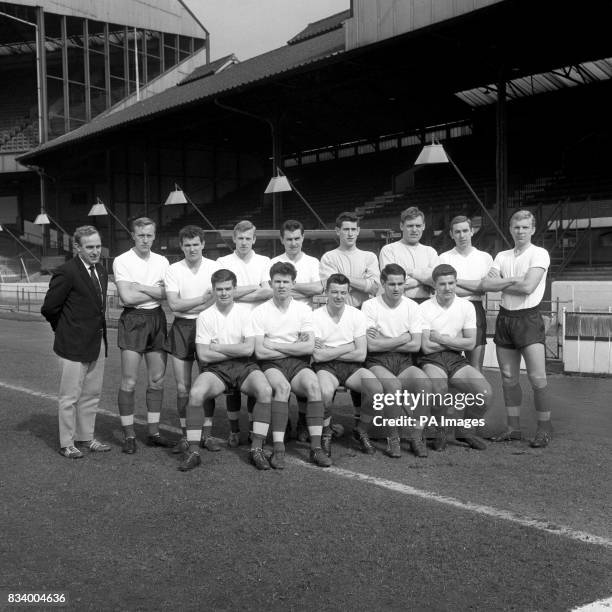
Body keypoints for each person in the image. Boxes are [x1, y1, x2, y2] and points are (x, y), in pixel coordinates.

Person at [179, 269, 274, 471]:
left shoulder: (246, 313)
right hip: (216, 369)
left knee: (265, 390)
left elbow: (249, 348)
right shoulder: (204, 316)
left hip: (244, 365)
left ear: (235, 289)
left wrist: (219, 347)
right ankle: (194, 451)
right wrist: (235, 350)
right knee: (196, 393)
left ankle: (256, 449)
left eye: (228, 289)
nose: (223, 293)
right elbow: (204, 355)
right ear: (213, 290)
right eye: (219, 289)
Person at [482, 210, 553, 448]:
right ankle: (513, 429)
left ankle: (544, 428)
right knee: (509, 377)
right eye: (516, 227)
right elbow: (487, 284)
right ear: (510, 229)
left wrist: (504, 283)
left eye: (525, 227)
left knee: (537, 377)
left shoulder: (539, 253)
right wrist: (514, 280)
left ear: (533, 229)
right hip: (505, 318)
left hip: (528, 319)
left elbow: (528, 287)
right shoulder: (502, 255)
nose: (520, 231)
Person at [252, 261, 330, 468]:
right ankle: (279, 450)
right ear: (270, 283)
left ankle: (316, 448)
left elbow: (308, 347)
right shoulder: (260, 311)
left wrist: (275, 344)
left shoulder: (303, 310)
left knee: (314, 386)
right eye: (277, 281)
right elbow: (260, 351)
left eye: (286, 282)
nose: (281, 286)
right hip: (271, 364)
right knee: (282, 387)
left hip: (297, 363)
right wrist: (292, 345)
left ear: (293, 283)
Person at [42, 225, 111, 458]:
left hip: (97, 342)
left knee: (91, 395)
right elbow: (50, 308)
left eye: (98, 246)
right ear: (77, 247)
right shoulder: (66, 272)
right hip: (72, 344)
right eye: (89, 247)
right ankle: (66, 443)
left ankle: (86, 437)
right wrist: (64, 331)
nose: (95, 251)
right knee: (69, 397)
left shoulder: (101, 270)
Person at [419, 264, 492, 451]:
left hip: (455, 358)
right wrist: (456, 340)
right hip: (432, 358)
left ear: (456, 283)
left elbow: (470, 343)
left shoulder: (467, 306)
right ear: (434, 285)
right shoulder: (424, 307)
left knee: (484, 394)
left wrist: (442, 338)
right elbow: (426, 347)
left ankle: (464, 431)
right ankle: (441, 430)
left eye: (451, 283)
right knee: (439, 387)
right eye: (442, 284)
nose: (447, 288)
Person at [113, 217, 170, 454]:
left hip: (157, 318)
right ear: (133, 236)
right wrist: (156, 292)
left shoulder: (163, 260)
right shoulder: (122, 260)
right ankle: (129, 435)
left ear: (154, 236)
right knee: (129, 380)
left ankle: (154, 433)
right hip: (133, 319)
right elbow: (127, 298)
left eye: (149, 235)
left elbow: (168, 294)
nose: (145, 239)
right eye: (141, 235)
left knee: (157, 380)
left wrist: (143, 288)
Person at [361, 264, 431, 458]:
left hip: (403, 361)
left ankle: (416, 437)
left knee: (425, 384)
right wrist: (402, 338)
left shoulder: (412, 306)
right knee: (393, 387)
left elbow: (415, 345)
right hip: (377, 361)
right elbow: (372, 346)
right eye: (391, 284)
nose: (396, 288)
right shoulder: (370, 306)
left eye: (400, 284)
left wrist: (384, 340)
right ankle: (393, 438)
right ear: (383, 283)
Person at [312, 274, 384, 459]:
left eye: (342, 292)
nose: (338, 296)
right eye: (334, 292)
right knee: (325, 392)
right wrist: (349, 346)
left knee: (376, 390)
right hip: (326, 367)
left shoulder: (357, 315)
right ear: (326, 292)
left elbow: (361, 354)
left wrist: (332, 349)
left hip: (352, 366)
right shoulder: (314, 316)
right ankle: (326, 432)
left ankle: (360, 430)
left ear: (348, 292)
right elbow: (318, 356)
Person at [217, 220, 272, 445]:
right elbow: (223, 292)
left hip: (257, 327)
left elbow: (268, 291)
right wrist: (253, 288)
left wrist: (237, 292)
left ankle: (251, 427)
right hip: (230, 325)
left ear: (254, 239)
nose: (244, 242)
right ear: (234, 239)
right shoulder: (223, 261)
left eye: (248, 238)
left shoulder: (264, 261)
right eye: (240, 238)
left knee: (252, 379)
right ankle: (233, 430)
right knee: (231, 383)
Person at [164, 226, 218, 454]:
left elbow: (215, 301)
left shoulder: (215, 267)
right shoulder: (173, 269)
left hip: (208, 326)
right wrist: (201, 299)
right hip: (182, 327)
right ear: (181, 246)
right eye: (187, 245)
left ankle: (207, 434)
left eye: (196, 244)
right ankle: (187, 435)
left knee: (206, 385)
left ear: (203, 244)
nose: (192, 248)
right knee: (183, 387)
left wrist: (197, 303)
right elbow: (175, 306)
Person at [270, 219, 323, 441]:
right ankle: (281, 421)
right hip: (279, 323)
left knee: (304, 372)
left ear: (303, 238)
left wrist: (289, 286)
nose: (293, 243)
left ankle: (303, 421)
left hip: (305, 324)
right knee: (277, 379)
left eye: (297, 238)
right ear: (282, 239)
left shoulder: (312, 262)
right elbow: (269, 291)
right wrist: (300, 289)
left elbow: (319, 288)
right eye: (289, 239)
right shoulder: (273, 261)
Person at [439, 216, 494, 371]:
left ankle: (474, 396)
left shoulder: (485, 258)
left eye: (465, 231)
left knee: (475, 367)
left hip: (476, 309)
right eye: (457, 232)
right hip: (449, 310)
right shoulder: (444, 257)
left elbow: (485, 288)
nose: (461, 235)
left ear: (472, 231)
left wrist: (456, 281)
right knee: (446, 365)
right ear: (451, 234)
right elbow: (444, 289)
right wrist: (477, 285)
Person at [319, 212, 380, 309]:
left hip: (363, 310)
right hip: (337, 310)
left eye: (353, 229)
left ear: (358, 231)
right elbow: (331, 288)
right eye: (346, 229)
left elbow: (374, 288)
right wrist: (363, 284)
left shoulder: (370, 257)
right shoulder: (328, 257)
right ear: (338, 231)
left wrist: (342, 277)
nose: (350, 234)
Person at [379, 206, 438, 303]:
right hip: (399, 303)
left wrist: (410, 272)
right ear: (401, 226)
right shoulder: (389, 250)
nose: (414, 230)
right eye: (410, 226)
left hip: (428, 303)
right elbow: (393, 282)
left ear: (423, 226)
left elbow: (436, 280)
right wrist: (424, 279)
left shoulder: (430, 252)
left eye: (418, 226)